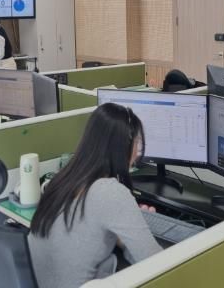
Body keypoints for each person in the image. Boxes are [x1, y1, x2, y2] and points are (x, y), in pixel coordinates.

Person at [28, 103, 161, 287]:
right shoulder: (111, 192)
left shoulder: (64, 178)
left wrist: (126, 233)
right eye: (137, 143)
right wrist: (129, 238)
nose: (137, 152)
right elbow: (157, 264)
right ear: (123, 145)